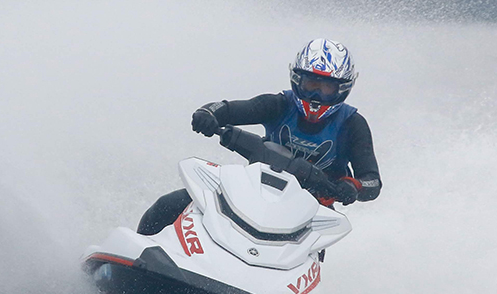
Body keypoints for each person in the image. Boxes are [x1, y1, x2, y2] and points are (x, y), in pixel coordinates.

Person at [137, 38, 381, 236]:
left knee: (312, 252)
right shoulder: (278, 105)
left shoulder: (353, 125)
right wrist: (207, 114)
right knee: (169, 204)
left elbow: (372, 181)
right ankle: (141, 251)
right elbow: (227, 109)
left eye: (326, 87)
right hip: (253, 196)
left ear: (342, 88)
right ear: (297, 80)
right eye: (311, 84)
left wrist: (352, 186)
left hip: (311, 215)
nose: (317, 95)